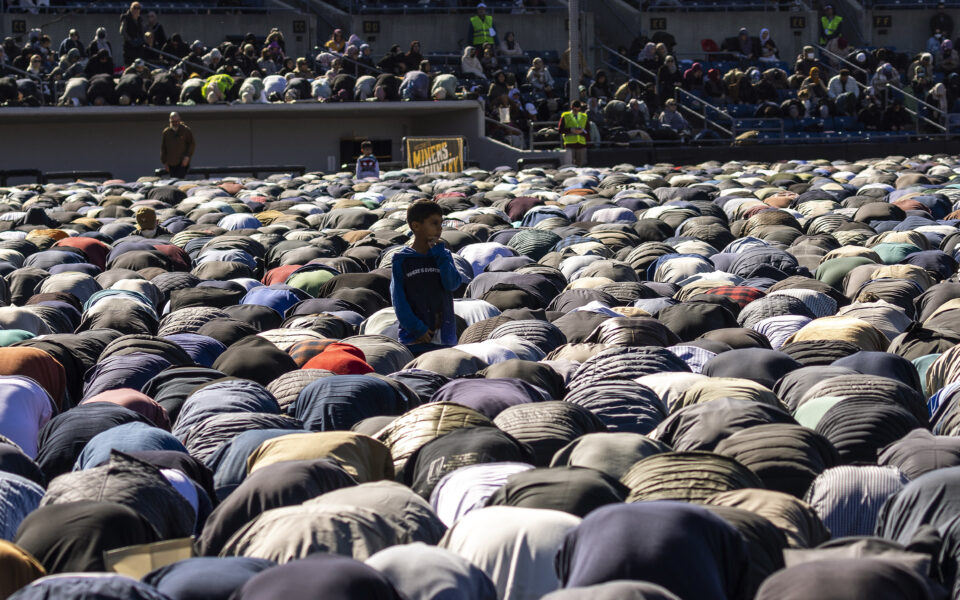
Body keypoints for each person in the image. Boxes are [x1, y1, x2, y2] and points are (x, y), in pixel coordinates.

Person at [390, 200, 462, 355]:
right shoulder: (402, 260)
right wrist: (418, 328)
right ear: (416, 226)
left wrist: (440, 255)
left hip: (445, 338)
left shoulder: (444, 255)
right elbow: (399, 301)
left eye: (441, 223)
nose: (439, 229)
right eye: (434, 223)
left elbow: (453, 284)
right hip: (414, 340)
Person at [160, 111, 195, 179]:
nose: (175, 123)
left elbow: (191, 144)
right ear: (170, 120)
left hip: (182, 161)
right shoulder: (166, 132)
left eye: (177, 121)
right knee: (173, 179)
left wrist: (187, 157)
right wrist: (164, 162)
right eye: (173, 121)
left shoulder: (186, 130)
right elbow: (163, 148)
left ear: (179, 120)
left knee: (180, 179)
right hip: (171, 162)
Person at [559, 100, 589, 167]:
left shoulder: (584, 116)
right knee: (570, 165)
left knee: (581, 165)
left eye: (578, 110)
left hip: (581, 144)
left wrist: (581, 131)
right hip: (570, 144)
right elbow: (560, 130)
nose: (576, 111)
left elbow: (587, 130)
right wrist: (571, 130)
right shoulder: (565, 116)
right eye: (575, 110)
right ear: (572, 108)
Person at [120, 1, 144, 65]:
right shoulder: (126, 17)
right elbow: (122, 31)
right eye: (134, 8)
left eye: (138, 8)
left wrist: (141, 40)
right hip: (129, 47)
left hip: (138, 47)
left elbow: (142, 31)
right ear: (131, 9)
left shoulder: (140, 19)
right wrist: (130, 40)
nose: (136, 10)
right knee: (129, 65)